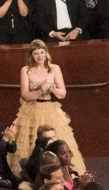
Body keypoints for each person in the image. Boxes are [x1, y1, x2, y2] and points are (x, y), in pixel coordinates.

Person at [10, 41, 85, 178]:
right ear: (31, 55)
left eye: (42, 52)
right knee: (31, 143)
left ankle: (65, 174)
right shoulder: (25, 70)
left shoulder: (54, 68)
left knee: (58, 141)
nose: (39, 56)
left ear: (46, 53)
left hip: (51, 109)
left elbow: (62, 94)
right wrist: (40, 90)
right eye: (36, 53)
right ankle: (35, 174)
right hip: (32, 109)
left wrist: (52, 88)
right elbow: (25, 95)